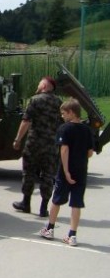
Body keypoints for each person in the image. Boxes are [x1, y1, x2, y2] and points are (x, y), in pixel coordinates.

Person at [39, 98, 95, 246]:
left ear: (71, 112)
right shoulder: (87, 130)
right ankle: (72, 235)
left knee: (57, 200)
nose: (62, 116)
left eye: (63, 113)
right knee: (76, 203)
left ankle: (50, 228)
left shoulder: (64, 129)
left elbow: (64, 149)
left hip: (66, 171)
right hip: (81, 170)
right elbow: (90, 153)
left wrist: (66, 171)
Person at [11, 76, 62, 216]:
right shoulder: (59, 102)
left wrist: (17, 139)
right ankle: (43, 208)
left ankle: (25, 203)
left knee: (29, 172)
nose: (38, 85)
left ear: (44, 86)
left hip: (34, 143)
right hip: (51, 144)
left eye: (40, 83)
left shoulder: (35, 100)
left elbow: (26, 121)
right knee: (48, 175)